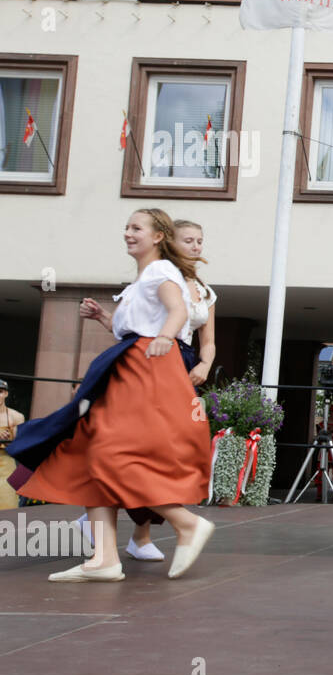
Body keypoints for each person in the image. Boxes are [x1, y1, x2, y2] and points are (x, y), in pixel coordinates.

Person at [11, 209, 215, 582]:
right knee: (89, 451)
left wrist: (166, 337)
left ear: (157, 236)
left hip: (145, 366)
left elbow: (177, 310)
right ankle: (103, 558)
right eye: (126, 227)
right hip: (128, 363)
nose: (127, 233)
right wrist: (105, 318)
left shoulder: (159, 271)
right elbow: (137, 326)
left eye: (136, 228)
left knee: (110, 453)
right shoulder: (142, 279)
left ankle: (184, 523)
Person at [76, 218, 218, 560]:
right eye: (189, 239)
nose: (196, 246)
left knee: (151, 449)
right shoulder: (158, 274)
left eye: (200, 240)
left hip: (170, 359)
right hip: (152, 356)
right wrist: (105, 318)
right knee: (130, 446)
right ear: (170, 241)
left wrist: (202, 365)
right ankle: (126, 538)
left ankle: (136, 536)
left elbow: (203, 337)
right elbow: (137, 328)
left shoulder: (187, 285)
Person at [0, 379, 25, 510]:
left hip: (7, 467)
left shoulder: (16, 417)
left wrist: (10, 440)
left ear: (6, 394)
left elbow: (20, 446)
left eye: (0, 392)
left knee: (7, 505)